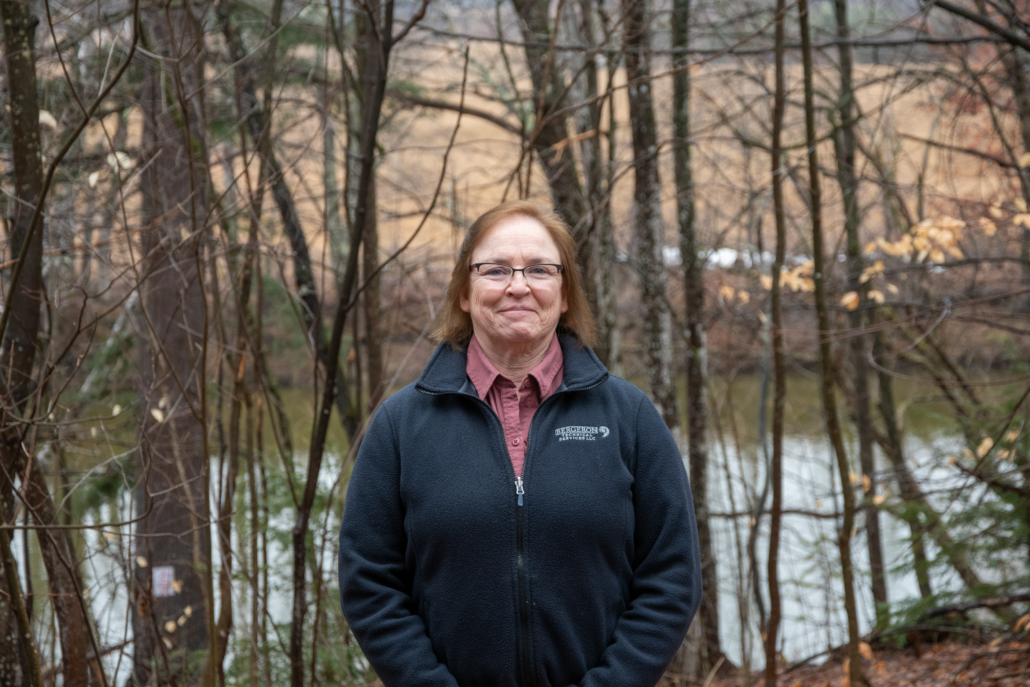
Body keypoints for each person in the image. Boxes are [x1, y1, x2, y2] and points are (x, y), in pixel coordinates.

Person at [338, 200, 701, 687]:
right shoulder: (399, 425)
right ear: (464, 293)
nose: (518, 285)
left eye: (539, 269)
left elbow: (672, 577)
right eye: (495, 270)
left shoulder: (629, 417)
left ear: (564, 293)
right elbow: (369, 583)